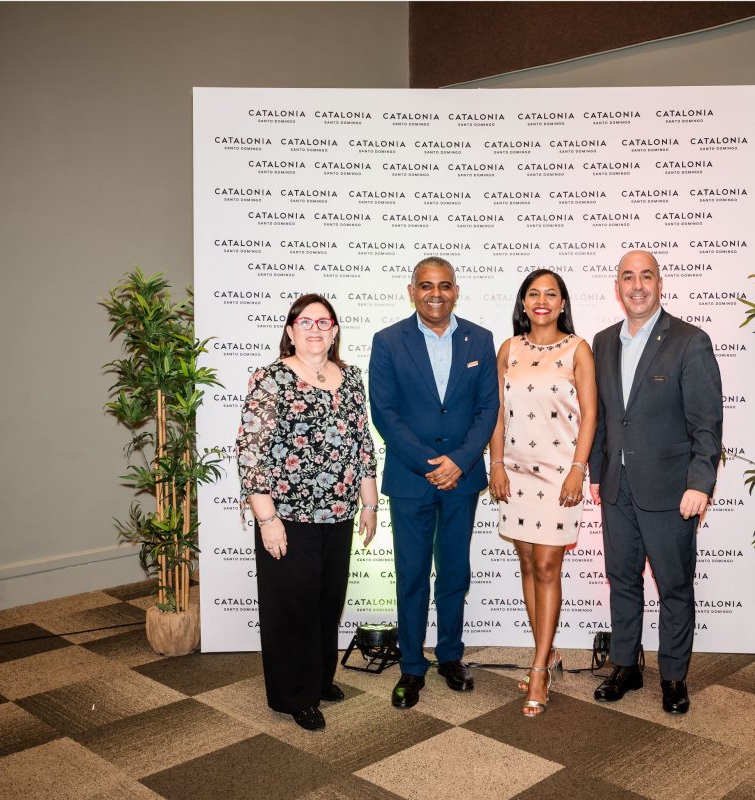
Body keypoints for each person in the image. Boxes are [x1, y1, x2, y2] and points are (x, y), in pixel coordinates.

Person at [588, 250, 723, 715]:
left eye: (646, 276)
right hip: (616, 489)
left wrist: (700, 483)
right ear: (618, 285)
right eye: (629, 277)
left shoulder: (690, 341)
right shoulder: (602, 342)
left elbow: (707, 424)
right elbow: (601, 417)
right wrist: (596, 474)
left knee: (674, 586)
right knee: (622, 580)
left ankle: (673, 676)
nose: (637, 285)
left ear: (660, 283)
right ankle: (625, 666)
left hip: (671, 491)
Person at [237, 293, 378, 731]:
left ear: (334, 330)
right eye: (306, 321)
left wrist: (368, 502)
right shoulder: (271, 379)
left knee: (325, 604)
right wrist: (267, 518)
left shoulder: (351, 377)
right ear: (290, 330)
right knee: (292, 608)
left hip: (337, 515)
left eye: (324, 322)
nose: (315, 329)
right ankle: (294, 695)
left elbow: (362, 444)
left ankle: (318, 679)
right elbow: (250, 452)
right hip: (288, 517)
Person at [369, 256, 499, 710]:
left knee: (455, 574)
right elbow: (384, 413)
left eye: (444, 285)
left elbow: (488, 409)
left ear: (456, 290)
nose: (435, 293)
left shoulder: (480, 339)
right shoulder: (387, 342)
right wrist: (431, 463)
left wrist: (459, 462)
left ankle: (449, 656)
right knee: (411, 576)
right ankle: (410, 666)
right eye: (426, 285)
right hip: (411, 480)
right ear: (412, 291)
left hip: (461, 481)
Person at [487, 269, 596, 717]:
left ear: (563, 303)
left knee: (549, 563)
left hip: (559, 473)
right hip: (515, 471)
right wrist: (495, 464)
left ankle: (538, 670)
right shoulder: (508, 349)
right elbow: (495, 412)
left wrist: (577, 469)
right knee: (528, 563)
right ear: (523, 303)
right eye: (534, 294)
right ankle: (545, 652)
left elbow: (590, 414)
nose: (542, 301)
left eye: (551, 294)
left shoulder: (578, 349)